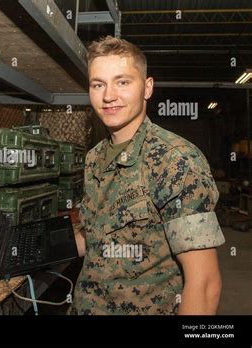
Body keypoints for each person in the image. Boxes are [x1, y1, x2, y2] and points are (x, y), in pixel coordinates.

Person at [71, 36, 225, 315]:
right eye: (98, 84)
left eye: (123, 82)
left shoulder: (174, 160)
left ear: (147, 88)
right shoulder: (94, 158)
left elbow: (204, 284)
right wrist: (39, 248)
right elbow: (96, 234)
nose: (108, 96)